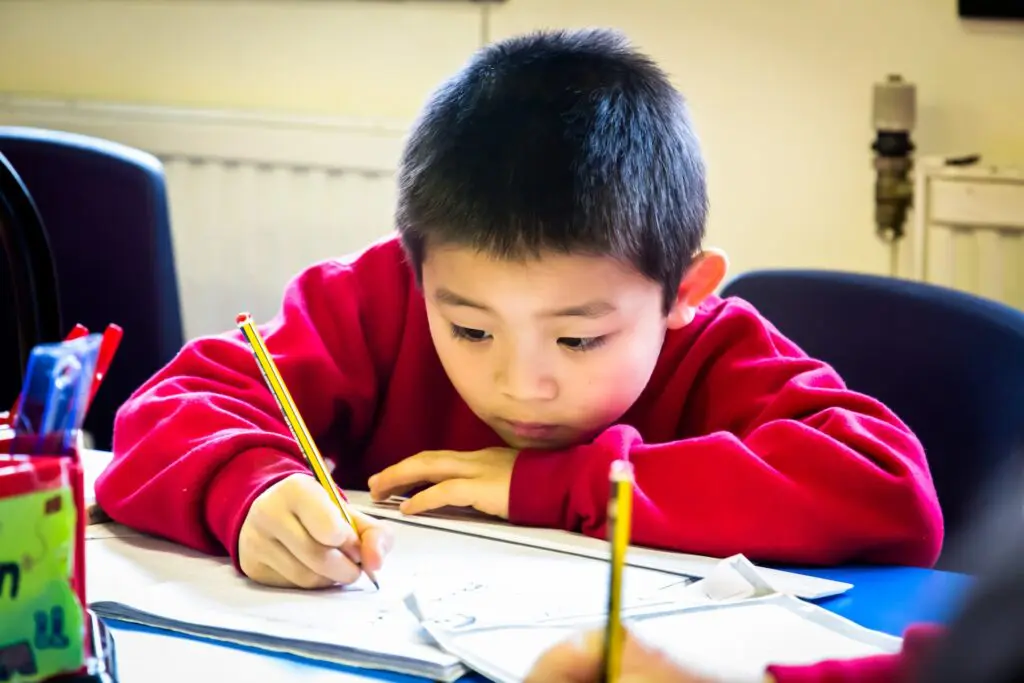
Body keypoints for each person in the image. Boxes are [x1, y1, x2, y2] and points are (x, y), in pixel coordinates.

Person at [94, 28, 943, 590]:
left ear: (683, 291)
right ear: (416, 270)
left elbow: (892, 492)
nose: (521, 384)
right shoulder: (376, 300)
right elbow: (167, 411)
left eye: (579, 337)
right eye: (468, 328)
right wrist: (249, 490)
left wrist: (564, 486)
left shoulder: (715, 351)